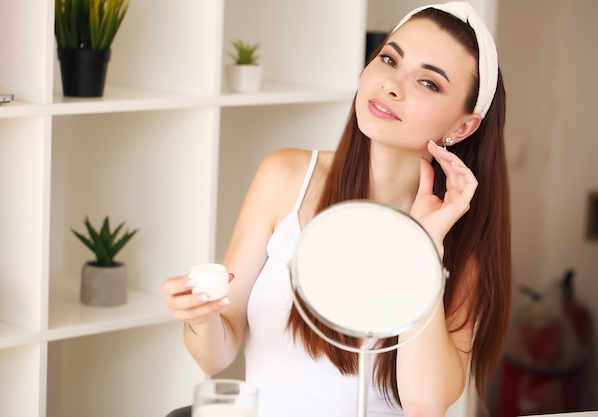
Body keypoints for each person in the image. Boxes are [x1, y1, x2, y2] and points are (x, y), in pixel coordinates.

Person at [163, 2, 511, 416]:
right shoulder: (286, 176)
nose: (392, 85)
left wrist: (427, 242)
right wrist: (200, 316)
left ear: (462, 127)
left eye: (428, 83)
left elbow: (425, 404)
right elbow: (214, 357)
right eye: (388, 59)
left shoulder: (460, 240)